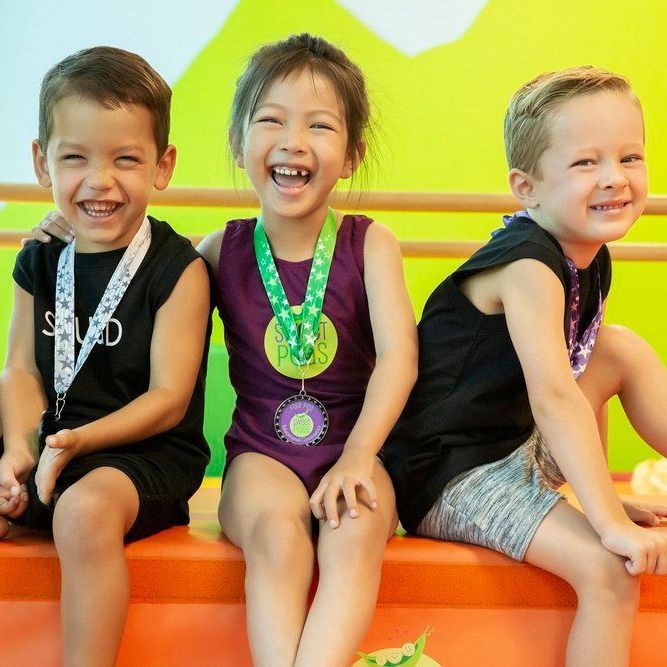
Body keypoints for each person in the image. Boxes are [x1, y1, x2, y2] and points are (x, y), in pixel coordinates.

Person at [29, 33, 417, 667]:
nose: (293, 141)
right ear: (239, 144)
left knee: (353, 536)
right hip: (261, 457)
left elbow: (400, 360)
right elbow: (134, 274)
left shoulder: (371, 244)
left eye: (320, 125)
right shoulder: (213, 252)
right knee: (277, 539)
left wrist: (357, 459)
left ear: (352, 154)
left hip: (356, 446)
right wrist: (69, 231)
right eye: (271, 120)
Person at [382, 66, 667, 666]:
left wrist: (596, 504)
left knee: (617, 347)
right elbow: (556, 398)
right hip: (456, 473)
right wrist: (608, 525)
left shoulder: (589, 257)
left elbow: (581, 366)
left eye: (630, 157)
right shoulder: (530, 267)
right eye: (585, 163)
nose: (615, 179)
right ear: (526, 186)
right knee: (609, 571)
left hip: (515, 447)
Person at [0, 46, 211, 666]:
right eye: (74, 158)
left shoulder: (179, 269)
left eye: (126, 159)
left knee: (83, 511)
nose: (100, 181)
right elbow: (21, 370)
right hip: (48, 442)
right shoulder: (38, 259)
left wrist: (77, 443)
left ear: (162, 165)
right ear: (42, 162)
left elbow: (168, 400)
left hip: (139, 453)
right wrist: (19, 448)